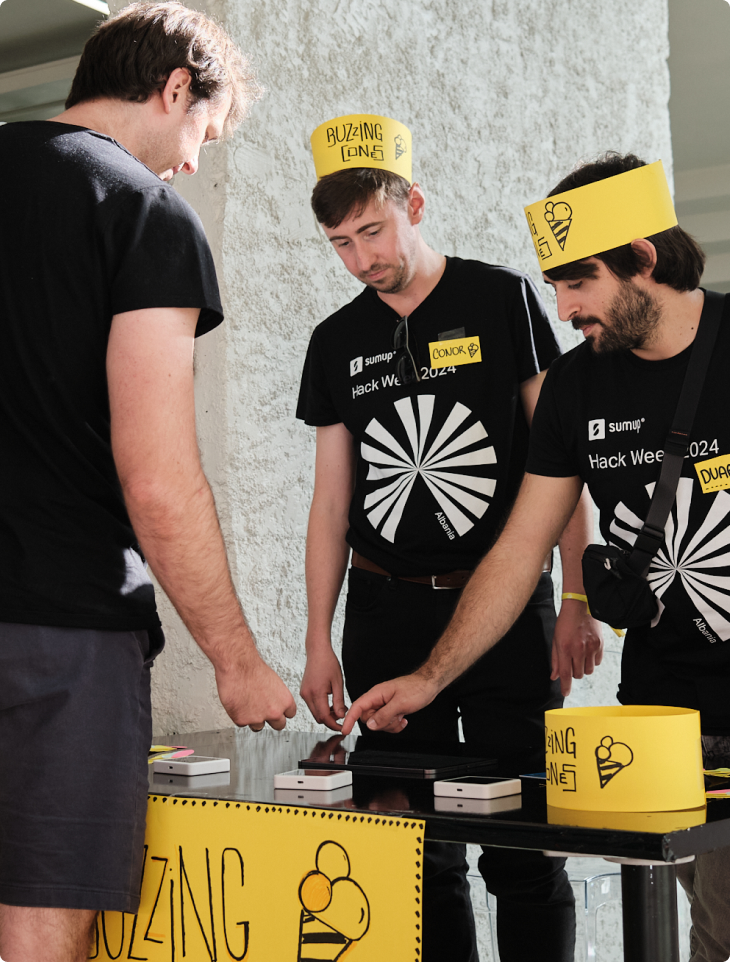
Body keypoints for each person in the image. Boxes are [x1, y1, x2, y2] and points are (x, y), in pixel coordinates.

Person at [343, 152, 730, 962]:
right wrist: (429, 677)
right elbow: (520, 551)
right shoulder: (574, 388)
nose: (562, 307)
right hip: (672, 718)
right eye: (553, 285)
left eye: (578, 283)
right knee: (714, 926)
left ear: (643, 259)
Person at [0, 4, 296, 960]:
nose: (192, 164)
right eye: (203, 134)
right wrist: (238, 662)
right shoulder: (140, 209)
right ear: (176, 88)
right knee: (42, 925)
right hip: (59, 631)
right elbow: (160, 478)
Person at [297, 114, 602, 962]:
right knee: (414, 855)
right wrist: (318, 641)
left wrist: (577, 598)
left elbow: (563, 468)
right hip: (383, 613)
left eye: (373, 230)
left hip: (504, 611)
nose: (362, 260)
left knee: (521, 852)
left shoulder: (501, 297)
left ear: (415, 204)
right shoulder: (334, 341)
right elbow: (330, 505)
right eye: (340, 244)